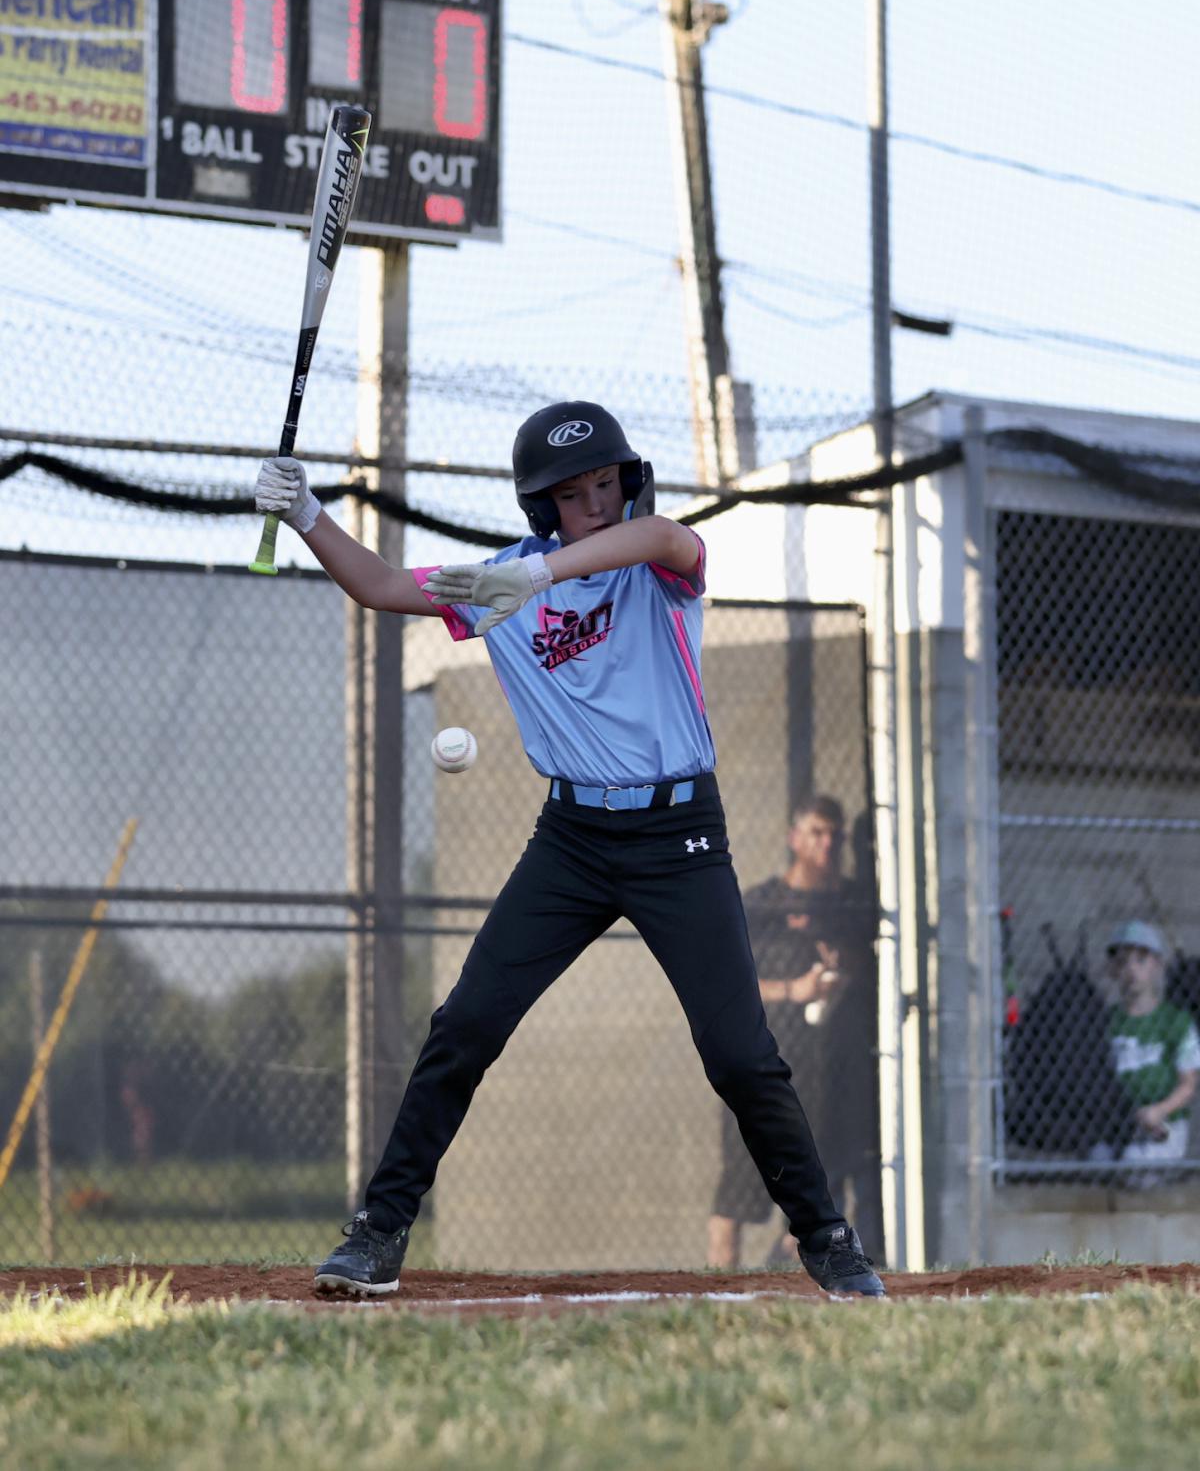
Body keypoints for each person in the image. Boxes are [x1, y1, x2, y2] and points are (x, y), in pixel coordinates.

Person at [254, 400, 885, 1299]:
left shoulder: (647, 566)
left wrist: (539, 575)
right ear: (541, 505)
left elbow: (667, 539)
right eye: (573, 492)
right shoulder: (499, 582)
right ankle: (378, 1231)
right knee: (465, 1025)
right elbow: (384, 587)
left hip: (680, 834)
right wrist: (308, 515)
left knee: (740, 1053)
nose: (597, 500)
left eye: (607, 483)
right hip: (574, 840)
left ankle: (826, 1237)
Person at [707, 796, 882, 1269]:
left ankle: (788, 1269)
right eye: (817, 833)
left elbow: (875, 971)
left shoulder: (852, 904)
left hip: (831, 1073)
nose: (828, 844)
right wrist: (794, 989)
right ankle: (715, 1290)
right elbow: (728, 985)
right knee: (738, 1188)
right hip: (766, 1065)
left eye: (836, 835)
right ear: (794, 838)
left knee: (824, 1186)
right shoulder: (762, 904)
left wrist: (842, 971)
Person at [1090, 919, 1200, 1180]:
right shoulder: (1107, 1021)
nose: (1131, 970)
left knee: (1134, 1167)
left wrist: (1159, 1111)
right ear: (1112, 970)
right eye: (1122, 961)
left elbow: (1188, 1084)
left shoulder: (1176, 1021)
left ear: (1157, 966)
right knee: (1096, 1159)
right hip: (1120, 1122)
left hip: (1165, 1123)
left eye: (1141, 960)